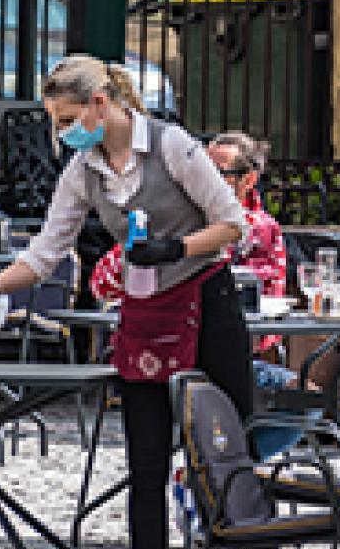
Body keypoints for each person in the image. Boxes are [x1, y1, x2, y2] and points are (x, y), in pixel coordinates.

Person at [0, 55, 301, 549]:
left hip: (208, 305)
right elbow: (48, 248)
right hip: (145, 315)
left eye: (66, 118)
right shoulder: (84, 170)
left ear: (99, 104)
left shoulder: (172, 147)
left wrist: (173, 248)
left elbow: (233, 223)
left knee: (230, 454)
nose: (61, 134)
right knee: (144, 466)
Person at [91, 130, 296, 388]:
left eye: (217, 173)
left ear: (248, 180)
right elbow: (100, 283)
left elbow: (261, 316)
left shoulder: (258, 230)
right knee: (303, 398)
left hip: (212, 353)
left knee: (295, 394)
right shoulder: (172, 219)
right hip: (161, 351)